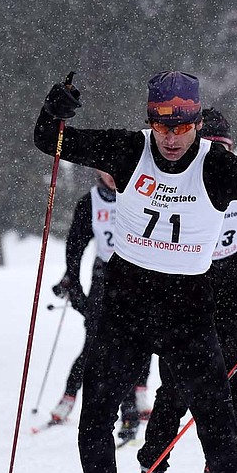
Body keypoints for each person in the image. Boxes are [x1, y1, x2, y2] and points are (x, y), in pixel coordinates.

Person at [34, 71, 237, 473]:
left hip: (187, 310)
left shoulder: (216, 166)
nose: (172, 136)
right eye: (162, 125)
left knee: (220, 431)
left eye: (183, 125)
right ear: (149, 121)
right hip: (125, 305)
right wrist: (53, 113)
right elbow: (50, 141)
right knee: (95, 423)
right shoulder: (128, 150)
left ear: (197, 121)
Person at [128, 108, 237, 473]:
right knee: (176, 385)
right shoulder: (182, 180)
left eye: (226, 148)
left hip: (235, 284)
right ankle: (152, 472)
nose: (220, 156)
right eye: (213, 147)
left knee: (233, 381)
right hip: (187, 285)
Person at [48, 170, 150, 442]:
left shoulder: (140, 194)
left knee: (138, 341)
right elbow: (75, 247)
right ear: (97, 172)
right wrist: (72, 280)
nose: (113, 175)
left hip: (138, 276)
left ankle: (136, 398)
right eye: (106, 170)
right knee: (95, 344)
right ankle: (69, 397)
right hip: (104, 276)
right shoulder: (90, 203)